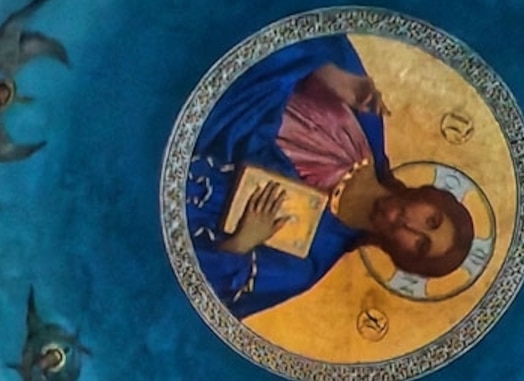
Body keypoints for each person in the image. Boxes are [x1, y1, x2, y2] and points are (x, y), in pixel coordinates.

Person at [182, 34, 473, 317]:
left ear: (405, 258)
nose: (412, 227)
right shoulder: (365, 118)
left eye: (421, 245)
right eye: (431, 220)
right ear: (430, 197)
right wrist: (324, 71)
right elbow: (309, 26)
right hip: (195, 74)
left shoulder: (303, 264)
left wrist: (241, 244)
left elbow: (198, 298)